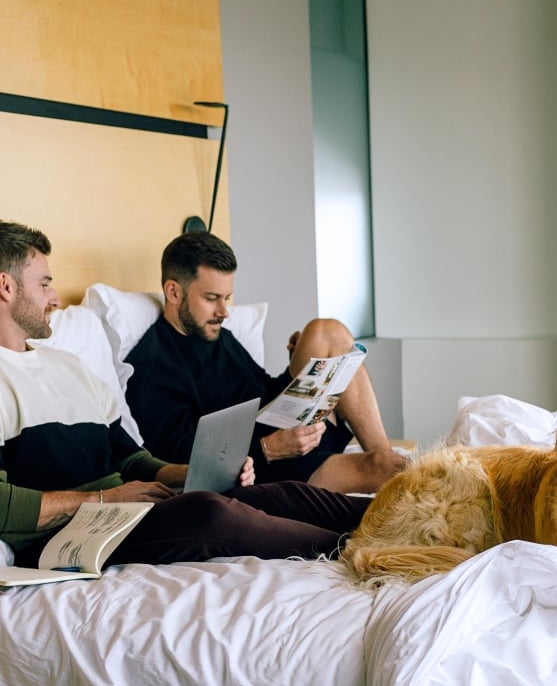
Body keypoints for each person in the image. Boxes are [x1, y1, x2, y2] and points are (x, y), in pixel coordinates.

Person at [0, 221, 371, 569]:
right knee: (210, 514)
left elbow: (128, 458)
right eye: (45, 284)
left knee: (275, 496)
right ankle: (359, 549)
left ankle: (397, 521)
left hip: (121, 509)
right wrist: (103, 500)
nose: (54, 299)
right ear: (6, 286)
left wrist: (192, 474)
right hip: (68, 537)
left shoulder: (70, 366)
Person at [125, 231, 406, 493]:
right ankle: (389, 463)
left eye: (227, 298)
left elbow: (259, 389)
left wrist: (297, 366)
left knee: (325, 331)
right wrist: (269, 448)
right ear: (173, 292)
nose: (224, 312)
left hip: (288, 429)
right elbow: (181, 463)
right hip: (267, 466)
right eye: (212, 299)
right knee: (384, 468)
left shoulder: (216, 335)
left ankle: (383, 450)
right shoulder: (153, 367)